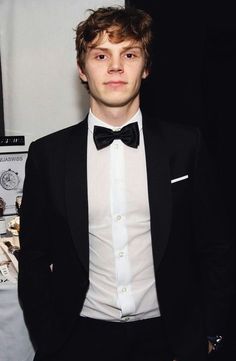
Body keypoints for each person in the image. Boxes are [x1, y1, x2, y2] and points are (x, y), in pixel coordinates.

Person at [18, 6, 234, 361]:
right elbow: (35, 261)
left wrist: (211, 333)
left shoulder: (186, 147)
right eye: (101, 55)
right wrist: (50, 339)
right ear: (82, 70)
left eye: (129, 54)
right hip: (79, 338)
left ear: (145, 68)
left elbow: (216, 248)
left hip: (170, 340)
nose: (115, 66)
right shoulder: (47, 155)